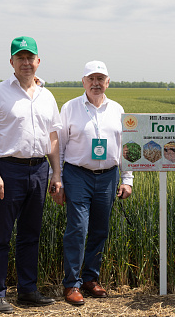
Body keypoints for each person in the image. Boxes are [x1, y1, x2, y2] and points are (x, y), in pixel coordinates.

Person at [0, 36, 62, 314]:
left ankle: (27, 290)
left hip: (39, 170)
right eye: (20, 57)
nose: (26, 63)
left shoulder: (47, 96)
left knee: (30, 234)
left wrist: (56, 172)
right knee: (1, 235)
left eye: (30, 57)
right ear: (11, 62)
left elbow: (53, 137)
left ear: (38, 61)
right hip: (8, 171)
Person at [54, 60, 133, 305]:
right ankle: (72, 284)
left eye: (101, 79)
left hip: (108, 176)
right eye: (91, 79)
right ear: (84, 82)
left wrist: (127, 178)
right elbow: (60, 145)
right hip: (78, 175)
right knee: (78, 229)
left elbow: (125, 148)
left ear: (108, 82)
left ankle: (90, 279)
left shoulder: (117, 109)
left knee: (100, 230)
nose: (96, 83)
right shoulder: (70, 107)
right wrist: (57, 179)